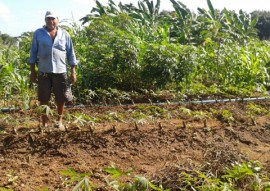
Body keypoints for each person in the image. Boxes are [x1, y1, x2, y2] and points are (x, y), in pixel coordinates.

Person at [29, 11, 77, 130]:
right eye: (48, 19)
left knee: (61, 98)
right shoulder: (38, 33)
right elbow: (33, 53)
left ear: (57, 20)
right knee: (43, 98)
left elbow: (71, 53)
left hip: (60, 71)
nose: (51, 21)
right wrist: (33, 72)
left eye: (53, 19)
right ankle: (44, 122)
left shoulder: (64, 34)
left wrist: (73, 71)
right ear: (45, 21)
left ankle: (59, 121)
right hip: (44, 71)